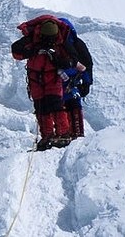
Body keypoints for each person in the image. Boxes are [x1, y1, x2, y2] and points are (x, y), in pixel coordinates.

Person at [11, 15, 87, 151]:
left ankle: (63, 134)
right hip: (36, 78)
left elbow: (72, 60)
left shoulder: (61, 40)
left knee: (56, 105)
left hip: (52, 77)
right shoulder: (34, 37)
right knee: (41, 107)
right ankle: (48, 136)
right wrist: (34, 51)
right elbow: (16, 50)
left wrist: (55, 59)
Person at [57, 17, 94, 138]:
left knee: (65, 105)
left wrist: (87, 83)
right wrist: (87, 83)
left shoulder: (58, 44)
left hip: (62, 80)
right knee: (73, 104)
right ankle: (76, 133)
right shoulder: (76, 43)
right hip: (73, 79)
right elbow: (87, 64)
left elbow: (87, 64)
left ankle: (67, 133)